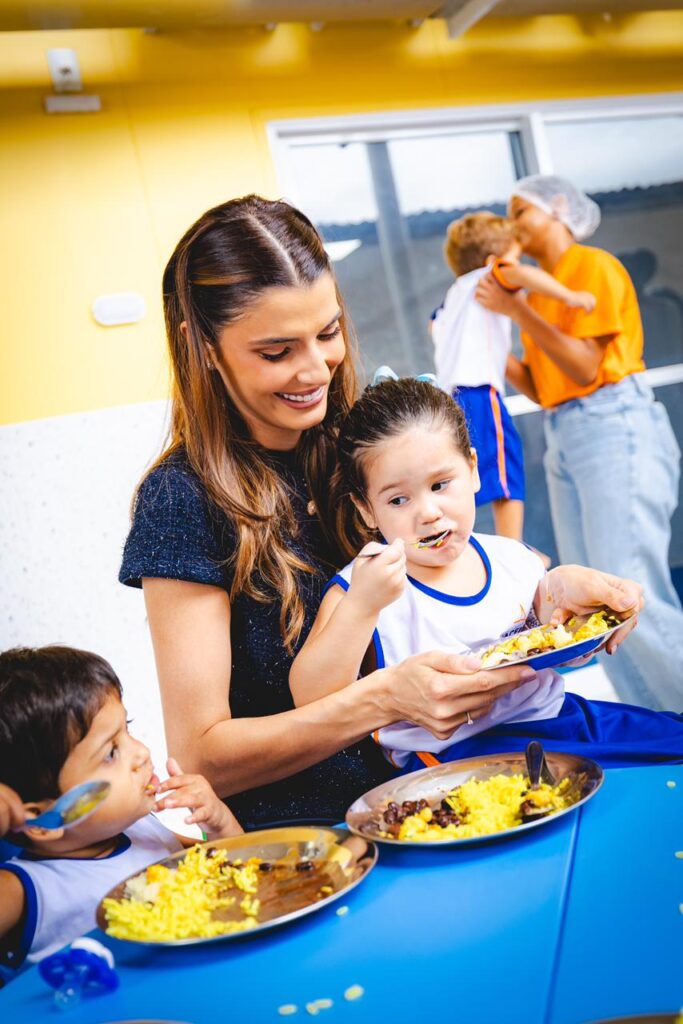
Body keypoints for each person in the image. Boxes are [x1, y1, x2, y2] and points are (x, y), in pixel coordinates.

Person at [118, 195, 647, 830]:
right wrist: (383, 701)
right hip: (318, 836)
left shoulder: (356, 441)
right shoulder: (181, 498)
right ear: (202, 345)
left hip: (454, 788)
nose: (315, 369)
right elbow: (203, 758)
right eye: (276, 351)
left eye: (328, 333)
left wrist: (548, 593)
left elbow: (454, 572)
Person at [291, 377, 683, 771]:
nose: (428, 512)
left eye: (440, 484)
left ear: (474, 470)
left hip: (558, 719)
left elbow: (546, 631)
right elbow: (311, 700)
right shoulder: (361, 588)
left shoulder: (511, 557)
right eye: (398, 499)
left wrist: (588, 607)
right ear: (366, 509)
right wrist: (361, 606)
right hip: (456, 759)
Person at [475, 175, 683, 712]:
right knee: (598, 602)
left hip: (612, 420)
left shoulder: (593, 267)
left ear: (559, 208)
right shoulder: (537, 290)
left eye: (522, 210)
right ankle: (662, 727)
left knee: (630, 590)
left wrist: (517, 311)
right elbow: (543, 385)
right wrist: (477, 339)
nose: (513, 224)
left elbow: (586, 366)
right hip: (565, 428)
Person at [0, 646, 242, 981]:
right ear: (42, 822)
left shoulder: (145, 831)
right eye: (111, 752)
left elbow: (240, 870)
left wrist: (219, 822)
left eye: (127, 729)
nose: (141, 753)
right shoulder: (24, 890)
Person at [433, 211, 595, 543]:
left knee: (469, 469)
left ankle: (479, 543)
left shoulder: (454, 295)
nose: (517, 267)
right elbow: (523, 276)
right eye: (515, 258)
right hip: (479, 390)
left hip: (451, 395)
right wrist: (570, 297)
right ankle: (513, 544)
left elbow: (433, 325)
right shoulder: (490, 276)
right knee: (506, 464)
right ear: (494, 261)